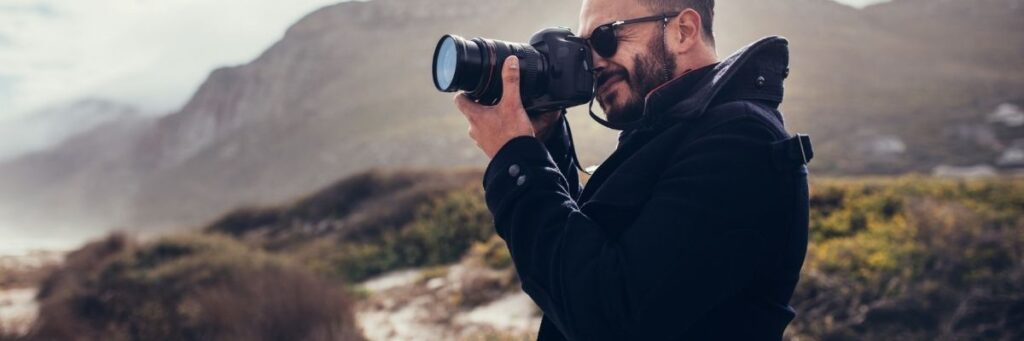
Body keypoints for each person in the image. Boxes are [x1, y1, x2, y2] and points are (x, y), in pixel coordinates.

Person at [452, 0, 812, 339]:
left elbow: (609, 315)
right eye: (583, 48)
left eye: (604, 38)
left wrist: (514, 156)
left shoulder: (740, 140)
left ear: (683, 30)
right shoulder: (670, 131)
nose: (592, 63)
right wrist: (544, 142)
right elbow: (597, 245)